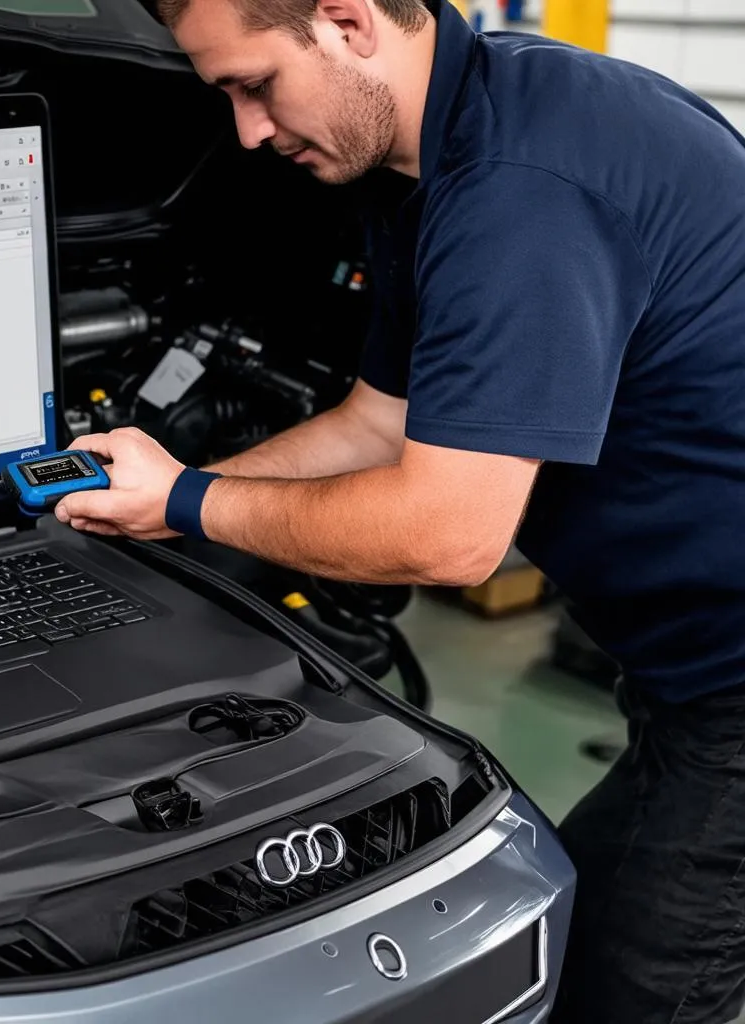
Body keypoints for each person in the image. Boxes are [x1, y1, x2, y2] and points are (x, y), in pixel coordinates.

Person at [54, 0, 745, 1020]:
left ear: (345, 20)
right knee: (592, 925)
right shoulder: (438, 150)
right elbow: (378, 426)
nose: (247, 130)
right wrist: (162, 514)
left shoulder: (520, 186)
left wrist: (193, 501)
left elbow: (447, 534)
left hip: (731, 676)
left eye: (256, 85)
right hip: (692, 665)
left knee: (629, 986)